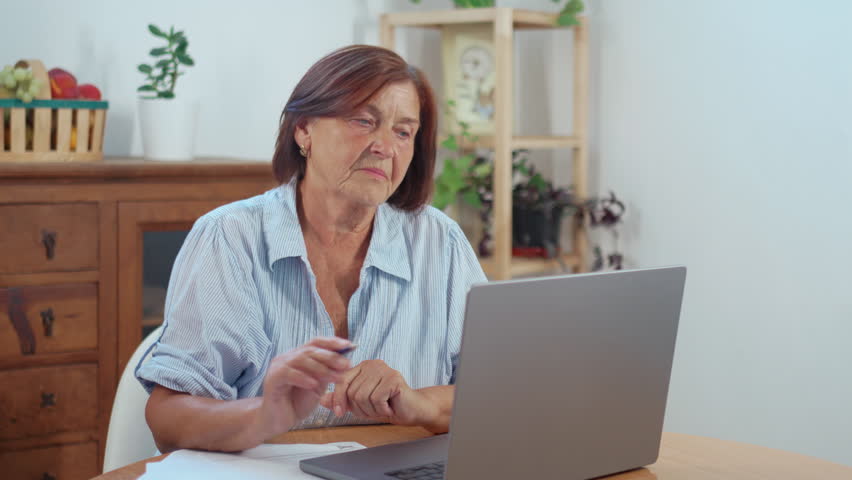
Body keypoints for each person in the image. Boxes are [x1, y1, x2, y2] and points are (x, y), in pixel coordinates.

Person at [136, 45, 487, 454]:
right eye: (363, 120)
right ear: (303, 130)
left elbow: (499, 394)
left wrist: (420, 403)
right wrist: (266, 413)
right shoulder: (230, 238)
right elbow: (167, 418)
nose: (385, 147)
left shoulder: (440, 243)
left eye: (403, 132)